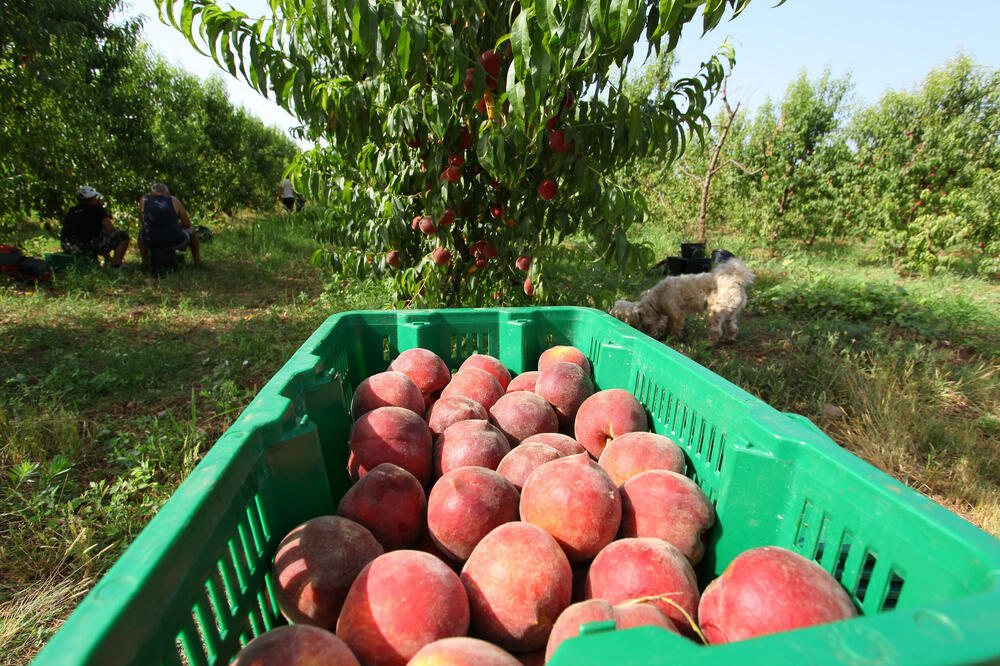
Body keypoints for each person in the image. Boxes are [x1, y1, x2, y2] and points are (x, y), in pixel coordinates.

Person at [60, 186, 130, 269]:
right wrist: (102, 209)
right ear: (92, 198)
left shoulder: (73, 210)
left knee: (100, 232)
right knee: (123, 236)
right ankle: (116, 265)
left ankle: (108, 260)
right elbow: (111, 230)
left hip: (67, 246)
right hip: (85, 247)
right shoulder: (97, 209)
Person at [138, 182, 202, 267]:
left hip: (151, 242)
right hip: (175, 241)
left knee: (141, 231)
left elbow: (144, 223)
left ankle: (145, 262)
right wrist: (175, 225)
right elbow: (187, 224)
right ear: (167, 192)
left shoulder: (144, 200)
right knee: (192, 230)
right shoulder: (173, 200)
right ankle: (197, 261)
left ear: (151, 192)